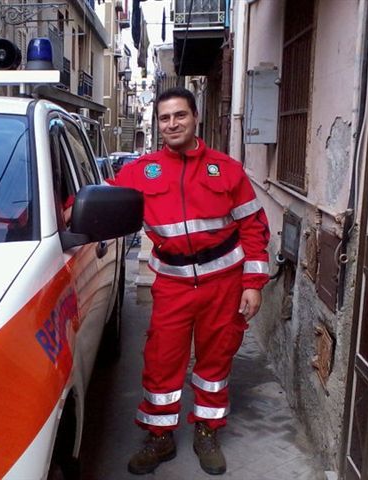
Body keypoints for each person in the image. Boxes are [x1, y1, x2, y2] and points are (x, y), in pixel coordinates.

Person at [109, 87, 270, 476]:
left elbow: (253, 227)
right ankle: (160, 437)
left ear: (195, 117)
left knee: (216, 360)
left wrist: (252, 283)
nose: (172, 124)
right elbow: (103, 200)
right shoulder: (141, 170)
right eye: (164, 118)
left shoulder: (226, 169)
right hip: (173, 286)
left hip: (223, 283)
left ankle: (207, 431)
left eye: (180, 115)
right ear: (158, 124)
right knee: (161, 362)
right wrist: (64, 212)